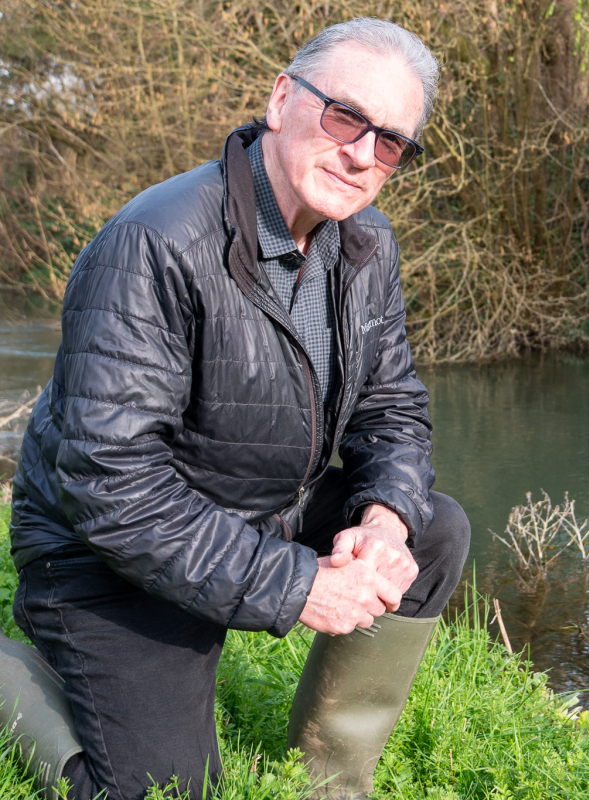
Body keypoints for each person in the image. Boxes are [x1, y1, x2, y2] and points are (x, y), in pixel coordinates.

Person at [0, 18, 469, 800]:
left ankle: (328, 776)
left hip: (252, 508)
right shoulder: (152, 243)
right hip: (107, 555)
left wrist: (385, 516)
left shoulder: (367, 245)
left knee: (432, 527)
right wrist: (296, 584)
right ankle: (12, 677)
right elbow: (109, 486)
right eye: (345, 116)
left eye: (391, 142)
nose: (361, 154)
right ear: (283, 98)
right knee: (165, 794)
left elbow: (392, 408)